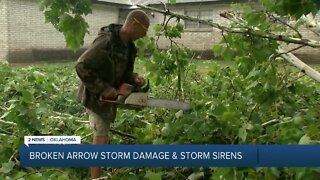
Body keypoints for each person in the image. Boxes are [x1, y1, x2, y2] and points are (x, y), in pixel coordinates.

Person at [75, 10, 150, 179]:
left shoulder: (129, 47)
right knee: (100, 140)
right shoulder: (107, 41)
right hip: (95, 96)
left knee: (102, 135)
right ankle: (96, 177)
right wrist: (103, 89)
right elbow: (81, 66)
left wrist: (134, 78)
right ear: (134, 24)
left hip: (110, 95)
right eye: (143, 31)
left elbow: (124, 73)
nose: (144, 35)